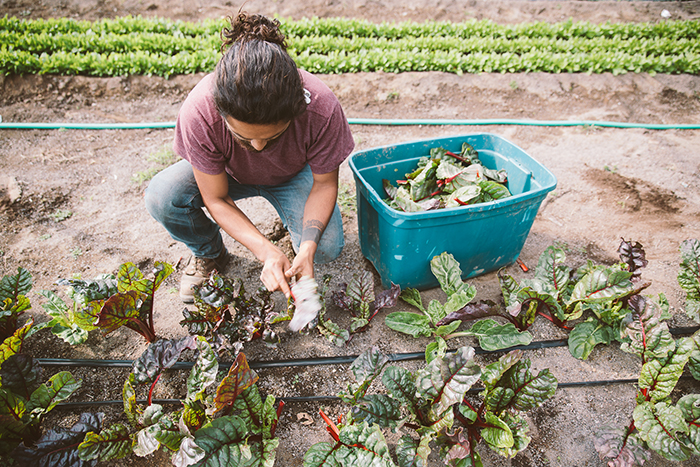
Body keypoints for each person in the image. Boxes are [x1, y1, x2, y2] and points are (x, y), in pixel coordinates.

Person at [145, 12, 354, 303]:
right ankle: (209, 253)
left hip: (294, 174)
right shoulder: (200, 111)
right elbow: (215, 198)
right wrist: (266, 250)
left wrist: (306, 247)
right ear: (220, 111)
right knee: (162, 195)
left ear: (295, 112)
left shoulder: (320, 108)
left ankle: (295, 227)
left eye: (272, 137)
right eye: (243, 136)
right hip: (227, 175)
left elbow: (324, 184)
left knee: (326, 248)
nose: (256, 147)